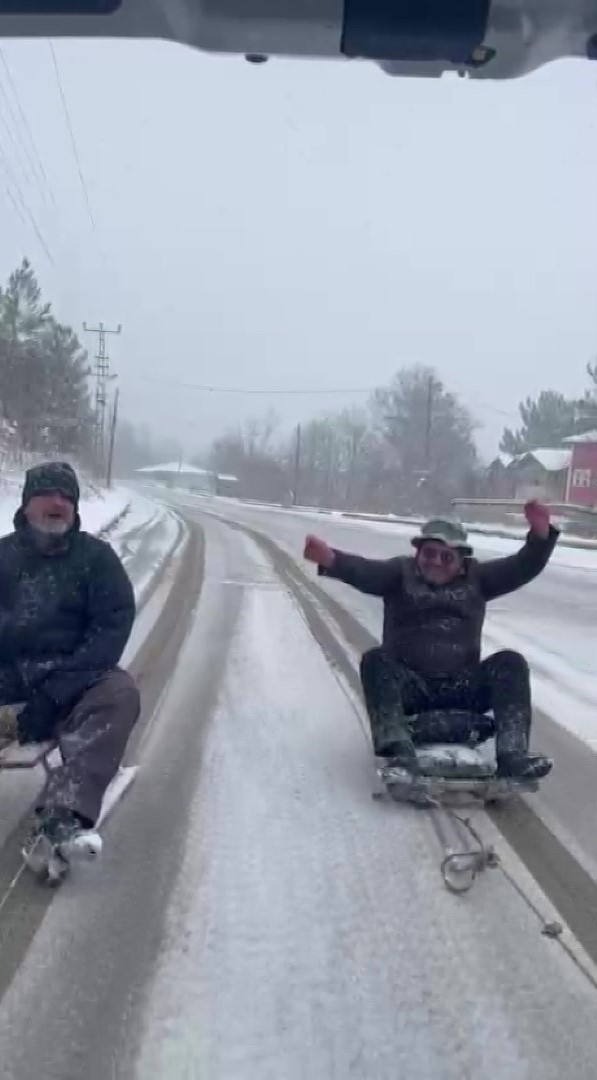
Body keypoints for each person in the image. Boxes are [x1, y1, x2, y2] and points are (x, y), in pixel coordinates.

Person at [304, 500, 557, 780]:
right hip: (411, 691)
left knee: (511, 662)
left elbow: (522, 566)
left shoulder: (478, 579)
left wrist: (540, 534)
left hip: (463, 690)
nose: (436, 561)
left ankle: (513, 757)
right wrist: (331, 559)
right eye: (429, 554)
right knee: (375, 660)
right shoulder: (400, 574)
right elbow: (364, 571)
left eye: (446, 557)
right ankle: (399, 754)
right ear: (418, 553)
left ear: (462, 560)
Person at [0, 461, 140, 849]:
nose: (58, 503)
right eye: (48, 494)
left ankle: (64, 813)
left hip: (71, 684)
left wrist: (56, 692)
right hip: (7, 682)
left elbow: (110, 632)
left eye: (67, 497)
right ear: (27, 503)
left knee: (119, 692)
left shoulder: (97, 560)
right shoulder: (2, 558)